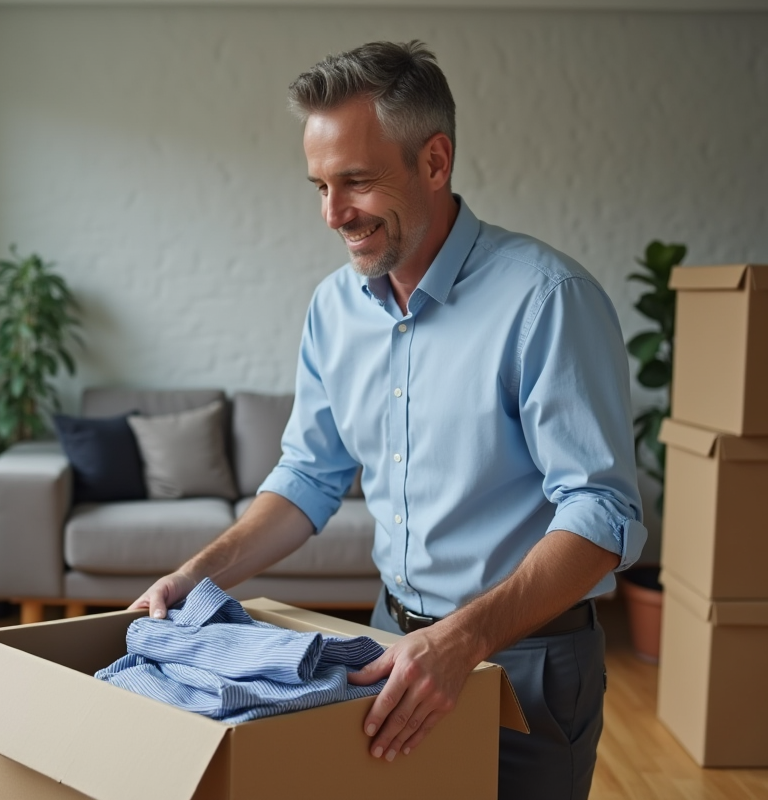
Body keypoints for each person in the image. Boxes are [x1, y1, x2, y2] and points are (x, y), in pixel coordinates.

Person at [130, 40, 647, 800]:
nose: (333, 213)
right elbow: (308, 477)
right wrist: (195, 576)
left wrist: (462, 640)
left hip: (526, 658)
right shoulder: (333, 308)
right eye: (320, 185)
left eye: (357, 181)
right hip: (384, 641)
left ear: (434, 161)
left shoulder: (547, 300)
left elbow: (603, 515)